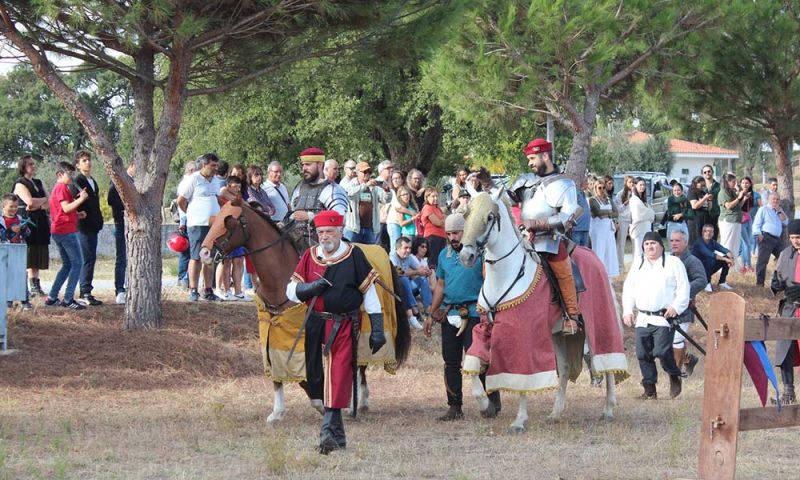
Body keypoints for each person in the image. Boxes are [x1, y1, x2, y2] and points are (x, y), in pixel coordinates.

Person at [284, 210, 385, 454]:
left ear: (340, 231)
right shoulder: (310, 256)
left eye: (329, 231)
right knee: (316, 375)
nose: (325, 236)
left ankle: (328, 432)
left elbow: (369, 293)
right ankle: (338, 436)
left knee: (338, 374)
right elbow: (290, 290)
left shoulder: (354, 256)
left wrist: (378, 328)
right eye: (320, 232)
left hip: (343, 325)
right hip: (316, 323)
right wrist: (309, 289)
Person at [423, 213, 500, 420]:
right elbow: (440, 285)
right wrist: (431, 313)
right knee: (450, 362)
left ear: (464, 232)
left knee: (479, 359)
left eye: (456, 233)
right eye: (448, 234)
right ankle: (454, 406)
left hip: (475, 312)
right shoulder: (443, 255)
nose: (452, 237)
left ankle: (492, 399)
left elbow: (488, 280)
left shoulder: (478, 253)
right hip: (450, 313)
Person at [513, 138, 583, 334]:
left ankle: (571, 315)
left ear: (545, 156)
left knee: (562, 266)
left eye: (533, 158)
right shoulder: (524, 181)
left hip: (550, 240)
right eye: (528, 159)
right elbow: (506, 199)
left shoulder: (565, 183)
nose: (529, 163)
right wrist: (486, 183)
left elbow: (568, 217)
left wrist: (536, 224)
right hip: (524, 239)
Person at [622, 231, 690, 399]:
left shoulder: (673, 262)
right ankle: (650, 389)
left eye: (653, 243)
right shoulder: (638, 264)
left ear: (661, 245)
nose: (650, 247)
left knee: (661, 351)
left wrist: (676, 307)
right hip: (643, 318)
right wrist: (628, 310)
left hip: (663, 318)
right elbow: (629, 289)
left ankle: (674, 374)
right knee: (642, 354)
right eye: (646, 244)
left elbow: (684, 288)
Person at [177, 153, 223, 302]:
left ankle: (208, 289)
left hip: (212, 224)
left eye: (217, 165)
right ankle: (193, 289)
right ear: (204, 165)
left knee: (209, 257)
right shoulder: (194, 179)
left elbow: (217, 198)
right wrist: (192, 214)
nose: (216, 168)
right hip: (197, 224)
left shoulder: (215, 180)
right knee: (196, 257)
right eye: (213, 165)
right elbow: (181, 201)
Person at [45, 161, 89, 310]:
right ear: (60, 174)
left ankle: (52, 297)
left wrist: (77, 214)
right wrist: (81, 199)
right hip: (65, 231)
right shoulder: (62, 188)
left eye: (72, 173)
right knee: (77, 263)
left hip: (59, 230)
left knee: (67, 265)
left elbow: (62, 210)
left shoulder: (59, 188)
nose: (71, 176)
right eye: (69, 174)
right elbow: (65, 208)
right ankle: (68, 299)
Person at [289, 147, 348, 251]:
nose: (304, 168)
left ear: (320, 164)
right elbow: (291, 214)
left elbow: (341, 219)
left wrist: (311, 217)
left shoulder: (333, 190)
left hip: (324, 246)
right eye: (303, 165)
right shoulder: (298, 188)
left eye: (308, 164)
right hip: (295, 244)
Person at [769, 219, 800, 404]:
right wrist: (776, 283)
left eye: (798, 237)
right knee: (785, 349)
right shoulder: (785, 254)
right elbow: (779, 279)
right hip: (789, 308)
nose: (795, 241)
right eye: (793, 237)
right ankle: (789, 393)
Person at [668, 229, 707, 377]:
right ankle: (688, 359)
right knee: (666, 340)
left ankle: (676, 376)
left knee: (677, 339)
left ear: (685, 242)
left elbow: (701, 280)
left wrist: (683, 292)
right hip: (668, 307)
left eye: (677, 240)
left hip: (684, 308)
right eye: (671, 241)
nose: (674, 243)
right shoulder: (668, 260)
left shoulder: (692, 261)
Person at [69, 150, 104, 306]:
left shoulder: (92, 181)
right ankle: (84, 291)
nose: (87, 163)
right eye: (83, 160)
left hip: (93, 225)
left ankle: (87, 289)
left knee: (91, 258)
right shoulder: (77, 180)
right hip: (83, 226)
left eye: (88, 160)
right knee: (86, 258)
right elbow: (70, 200)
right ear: (77, 164)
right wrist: (77, 213)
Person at [13, 155, 50, 297]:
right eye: (30, 164)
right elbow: (29, 201)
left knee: (37, 253)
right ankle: (25, 286)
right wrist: (41, 201)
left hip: (40, 221)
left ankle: (35, 285)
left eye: (34, 164)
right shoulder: (20, 183)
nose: (33, 166)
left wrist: (39, 203)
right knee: (28, 253)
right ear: (23, 167)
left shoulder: (38, 182)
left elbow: (49, 202)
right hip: (27, 222)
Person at [215, 176, 250, 301]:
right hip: (226, 232)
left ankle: (238, 290)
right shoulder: (223, 194)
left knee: (239, 260)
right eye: (235, 186)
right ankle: (224, 289)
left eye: (239, 187)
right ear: (229, 186)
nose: (237, 189)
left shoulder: (239, 198)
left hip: (237, 231)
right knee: (226, 261)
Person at [107, 162, 136, 304]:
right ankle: (120, 289)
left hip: (134, 226)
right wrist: (127, 209)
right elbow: (111, 199)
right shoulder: (118, 180)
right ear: (132, 165)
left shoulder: (137, 181)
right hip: (122, 223)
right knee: (122, 257)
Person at [390, 236, 431, 330]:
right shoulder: (392, 257)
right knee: (404, 280)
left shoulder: (409, 257)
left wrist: (426, 271)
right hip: (396, 290)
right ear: (398, 248)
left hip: (407, 288)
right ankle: (415, 311)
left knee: (422, 280)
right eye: (405, 248)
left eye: (409, 248)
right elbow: (399, 273)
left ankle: (428, 309)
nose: (408, 251)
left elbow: (419, 268)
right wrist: (417, 272)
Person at [0, 194, 33, 310]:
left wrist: (24, 229)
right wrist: (10, 230)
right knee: (7, 276)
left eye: (16, 206)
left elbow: (27, 233)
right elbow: (2, 235)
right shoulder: (1, 220)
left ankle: (24, 300)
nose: (14, 209)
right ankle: (7, 300)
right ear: (3, 206)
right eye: (11, 206)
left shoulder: (19, 218)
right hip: (5, 251)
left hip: (19, 250)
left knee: (21, 275)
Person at [342, 161, 387, 244]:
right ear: (357, 173)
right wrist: (365, 185)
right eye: (364, 172)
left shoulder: (374, 187)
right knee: (350, 253)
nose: (367, 174)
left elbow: (385, 200)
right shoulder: (351, 184)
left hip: (369, 229)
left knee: (368, 255)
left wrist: (387, 190)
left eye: (369, 172)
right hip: (353, 229)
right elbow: (350, 193)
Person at [753, 192, 789, 287]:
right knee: (763, 261)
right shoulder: (763, 209)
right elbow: (756, 223)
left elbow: (786, 222)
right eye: (773, 199)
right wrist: (758, 234)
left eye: (777, 199)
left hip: (777, 239)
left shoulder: (779, 210)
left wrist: (779, 211)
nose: (775, 201)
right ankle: (759, 284)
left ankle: (782, 282)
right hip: (766, 237)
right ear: (769, 200)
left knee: (785, 257)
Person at [588, 178, 619, 278]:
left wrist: (607, 214)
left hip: (608, 228)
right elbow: (598, 212)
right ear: (595, 188)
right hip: (598, 229)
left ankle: (609, 273)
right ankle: (597, 273)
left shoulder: (609, 199)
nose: (601, 190)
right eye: (599, 188)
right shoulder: (593, 200)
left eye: (603, 188)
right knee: (599, 250)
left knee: (610, 250)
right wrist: (609, 212)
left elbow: (616, 213)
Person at [691, 224, 734, 292]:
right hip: (697, 270)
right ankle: (707, 283)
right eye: (707, 231)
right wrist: (726, 259)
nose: (709, 233)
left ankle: (722, 282)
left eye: (711, 232)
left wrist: (730, 256)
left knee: (727, 257)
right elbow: (710, 254)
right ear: (703, 232)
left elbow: (723, 249)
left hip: (707, 268)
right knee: (709, 259)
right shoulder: (699, 243)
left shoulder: (712, 242)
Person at [175, 160, 197, 288]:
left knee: (187, 251)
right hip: (188, 220)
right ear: (190, 171)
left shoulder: (185, 183)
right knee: (188, 251)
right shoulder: (186, 184)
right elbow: (181, 203)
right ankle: (183, 277)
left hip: (187, 220)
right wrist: (183, 221)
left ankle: (183, 277)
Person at [717, 172, 745, 270]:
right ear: (727, 182)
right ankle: (721, 267)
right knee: (727, 244)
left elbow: (738, 205)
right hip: (728, 221)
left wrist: (743, 198)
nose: (735, 183)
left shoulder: (732, 191)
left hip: (736, 220)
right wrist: (738, 197)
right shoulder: (723, 192)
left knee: (735, 245)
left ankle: (733, 267)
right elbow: (728, 206)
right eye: (733, 181)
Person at [628, 177, 655, 262]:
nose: (642, 187)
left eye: (644, 185)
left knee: (646, 252)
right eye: (640, 185)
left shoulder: (644, 201)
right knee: (639, 253)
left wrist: (649, 212)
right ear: (635, 186)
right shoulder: (634, 200)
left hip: (646, 228)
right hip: (639, 230)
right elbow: (638, 215)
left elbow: (652, 215)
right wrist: (649, 212)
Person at [420, 187, 446, 270]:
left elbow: (445, 220)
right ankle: (431, 280)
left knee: (440, 260)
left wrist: (443, 220)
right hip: (432, 237)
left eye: (436, 196)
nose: (435, 198)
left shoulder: (437, 208)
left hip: (442, 237)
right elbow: (437, 222)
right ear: (427, 197)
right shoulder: (427, 207)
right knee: (432, 261)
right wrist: (443, 220)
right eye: (433, 196)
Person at [614, 175, 634, 273]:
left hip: (634, 220)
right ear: (626, 183)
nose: (632, 184)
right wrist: (626, 202)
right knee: (621, 243)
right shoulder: (620, 194)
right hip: (623, 220)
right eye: (630, 182)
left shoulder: (636, 193)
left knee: (635, 244)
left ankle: (635, 265)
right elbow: (618, 209)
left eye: (633, 182)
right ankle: (620, 266)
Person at [687, 175, 713, 246]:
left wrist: (710, 200)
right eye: (701, 185)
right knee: (696, 239)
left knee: (704, 239)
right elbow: (694, 206)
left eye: (704, 185)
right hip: (695, 219)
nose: (702, 186)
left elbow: (709, 208)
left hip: (704, 218)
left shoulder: (703, 193)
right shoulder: (692, 192)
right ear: (696, 183)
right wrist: (704, 198)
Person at [738, 176, 757, 273]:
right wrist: (744, 198)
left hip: (748, 219)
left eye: (747, 183)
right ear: (740, 184)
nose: (745, 185)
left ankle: (743, 266)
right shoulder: (738, 193)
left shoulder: (752, 193)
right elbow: (738, 206)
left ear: (750, 184)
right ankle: (748, 266)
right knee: (747, 244)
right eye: (743, 183)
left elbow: (750, 208)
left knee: (746, 244)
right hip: (740, 221)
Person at [702, 164, 721, 239]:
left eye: (709, 171)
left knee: (714, 237)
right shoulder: (700, 186)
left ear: (712, 172)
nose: (707, 173)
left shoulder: (719, 186)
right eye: (705, 172)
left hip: (715, 215)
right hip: (703, 216)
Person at [571, 176, 591, 248]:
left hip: (585, 228)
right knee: (576, 251)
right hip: (577, 229)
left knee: (584, 252)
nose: (587, 183)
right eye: (585, 181)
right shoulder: (576, 194)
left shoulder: (583, 194)